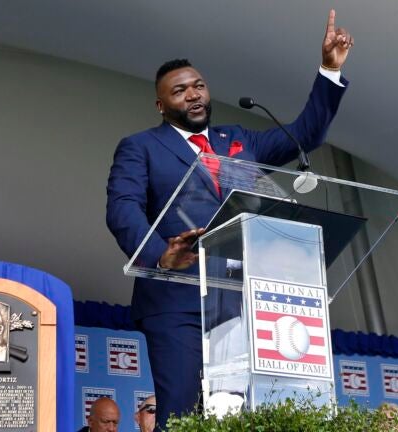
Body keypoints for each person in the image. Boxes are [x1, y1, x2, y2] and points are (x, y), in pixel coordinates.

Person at [106, 9, 353, 428]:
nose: (194, 94)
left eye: (199, 85)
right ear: (161, 104)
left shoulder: (238, 139)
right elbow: (122, 208)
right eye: (180, 90)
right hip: (176, 299)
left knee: (238, 412)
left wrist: (329, 70)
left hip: (242, 299)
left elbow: (306, 134)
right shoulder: (140, 147)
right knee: (183, 410)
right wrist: (159, 255)